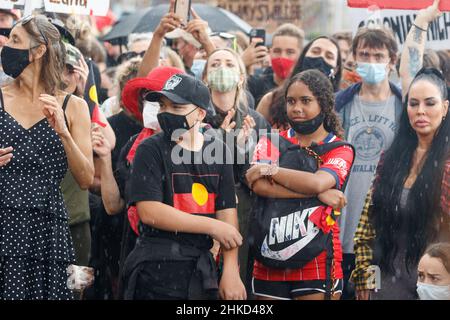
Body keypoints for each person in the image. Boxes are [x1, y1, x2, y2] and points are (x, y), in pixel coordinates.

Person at [122, 73, 246, 300]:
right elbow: (149, 211)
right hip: (156, 266)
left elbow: (228, 214)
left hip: (201, 272)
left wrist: (230, 271)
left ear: (200, 113)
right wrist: (212, 227)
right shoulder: (150, 149)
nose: (166, 113)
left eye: (176, 107)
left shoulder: (219, 151)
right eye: (162, 105)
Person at [0, 15, 94, 299]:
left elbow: (86, 178)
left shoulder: (73, 106)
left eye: (16, 40)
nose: (7, 45)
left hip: (48, 228)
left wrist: (64, 133)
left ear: (39, 51)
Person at [246, 69, 355, 300]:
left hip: (318, 258)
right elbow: (259, 187)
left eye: (306, 101)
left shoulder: (340, 148)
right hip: (268, 253)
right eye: (291, 101)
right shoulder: (271, 139)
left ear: (324, 104)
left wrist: (271, 170)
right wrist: (318, 196)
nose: (296, 108)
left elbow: (317, 182)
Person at [352, 68, 449, 300]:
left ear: (445, 108)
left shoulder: (447, 165)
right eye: (413, 104)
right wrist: (365, 277)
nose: (421, 111)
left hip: (433, 286)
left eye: (430, 103)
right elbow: (367, 227)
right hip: (384, 283)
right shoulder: (390, 159)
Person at [93, 66, 184, 299]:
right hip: (137, 252)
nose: (153, 107)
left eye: (161, 100)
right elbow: (114, 205)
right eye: (148, 99)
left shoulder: (197, 146)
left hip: (183, 257)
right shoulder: (133, 146)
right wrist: (104, 158)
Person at [335, 26, 403, 299]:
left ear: (392, 61)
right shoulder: (339, 106)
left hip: (379, 239)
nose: (371, 62)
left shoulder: (404, 107)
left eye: (378, 56)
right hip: (338, 233)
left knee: (370, 295)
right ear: (354, 58)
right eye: (364, 54)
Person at [202, 47, 270, 294]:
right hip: (204, 214)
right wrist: (223, 142)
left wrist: (243, 152)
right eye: (215, 64)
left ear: (241, 77)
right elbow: (195, 167)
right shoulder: (198, 118)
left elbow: (268, 171)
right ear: (205, 77)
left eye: (230, 64)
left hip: (245, 217)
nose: (222, 69)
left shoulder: (257, 121)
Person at [257, 36, 342, 130]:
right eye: (315, 51)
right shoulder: (271, 101)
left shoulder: (342, 105)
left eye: (329, 56)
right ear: (304, 56)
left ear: (335, 70)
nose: (321, 57)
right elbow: (254, 140)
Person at [247, 23, 304, 107]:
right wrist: (241, 62)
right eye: (277, 51)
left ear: (301, 55)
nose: (282, 57)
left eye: (290, 52)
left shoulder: (307, 88)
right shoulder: (255, 84)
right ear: (270, 52)